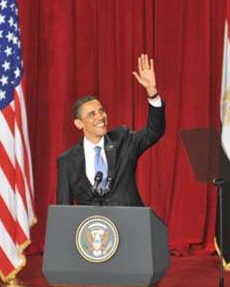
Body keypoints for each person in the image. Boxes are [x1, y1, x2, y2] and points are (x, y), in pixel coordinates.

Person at [57, 54, 165, 206]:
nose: (100, 117)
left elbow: (154, 131)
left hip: (129, 220)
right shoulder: (67, 161)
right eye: (92, 114)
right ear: (79, 124)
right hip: (91, 222)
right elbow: (63, 208)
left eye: (101, 111)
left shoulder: (123, 140)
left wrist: (152, 92)